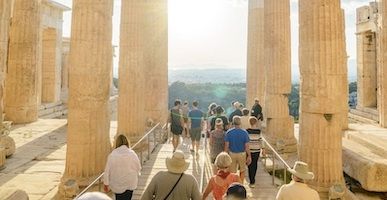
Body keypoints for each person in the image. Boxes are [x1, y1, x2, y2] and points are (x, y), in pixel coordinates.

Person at [103, 134, 141, 200]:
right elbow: (138, 167)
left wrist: (106, 183)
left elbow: (107, 171)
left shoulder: (112, 155)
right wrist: (137, 174)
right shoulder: (132, 154)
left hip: (117, 184)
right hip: (130, 182)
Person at [224, 116, 251, 183]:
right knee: (242, 170)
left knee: (232, 172)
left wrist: (225, 154)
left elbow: (226, 145)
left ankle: (232, 184)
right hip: (242, 154)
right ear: (240, 122)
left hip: (232, 153)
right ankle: (241, 184)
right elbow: (247, 146)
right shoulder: (244, 132)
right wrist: (249, 156)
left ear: (233, 122)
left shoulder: (229, 132)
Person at [246, 117, 263, 188]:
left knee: (250, 165)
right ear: (256, 122)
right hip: (257, 150)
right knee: (255, 164)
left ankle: (251, 180)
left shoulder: (247, 131)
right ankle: (253, 181)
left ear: (249, 122)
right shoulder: (259, 131)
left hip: (249, 150)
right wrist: (263, 149)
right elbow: (261, 140)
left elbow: (246, 141)